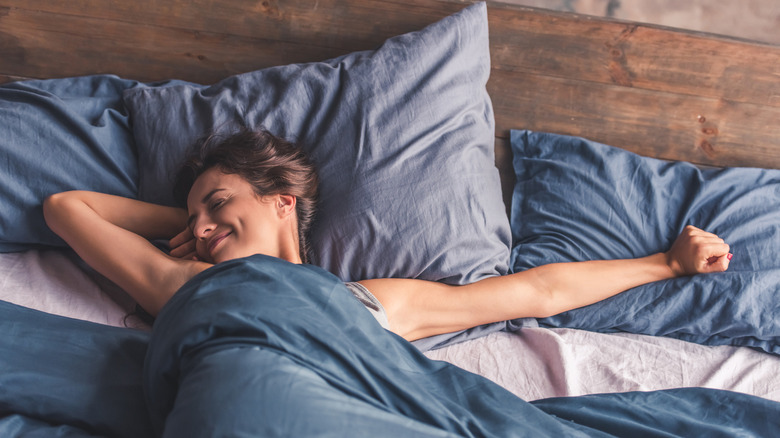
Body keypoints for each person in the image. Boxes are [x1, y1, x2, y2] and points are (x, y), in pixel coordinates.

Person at [43, 128, 732, 341]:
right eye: (191, 214)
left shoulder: (370, 301)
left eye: (218, 200)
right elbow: (65, 208)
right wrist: (197, 227)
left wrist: (666, 266)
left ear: (283, 201)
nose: (199, 222)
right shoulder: (184, 284)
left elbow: (536, 292)